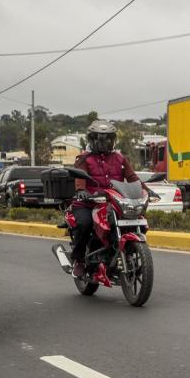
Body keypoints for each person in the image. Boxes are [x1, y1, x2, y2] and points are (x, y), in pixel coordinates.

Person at [69, 119, 149, 278]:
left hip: (113, 201)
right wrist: (81, 190)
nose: (104, 143)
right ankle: (78, 260)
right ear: (92, 139)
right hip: (88, 202)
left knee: (135, 219)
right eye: (99, 139)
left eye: (108, 139)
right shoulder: (84, 158)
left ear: (113, 140)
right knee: (85, 224)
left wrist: (146, 190)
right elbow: (80, 179)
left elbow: (132, 178)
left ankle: (123, 251)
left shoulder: (120, 158)